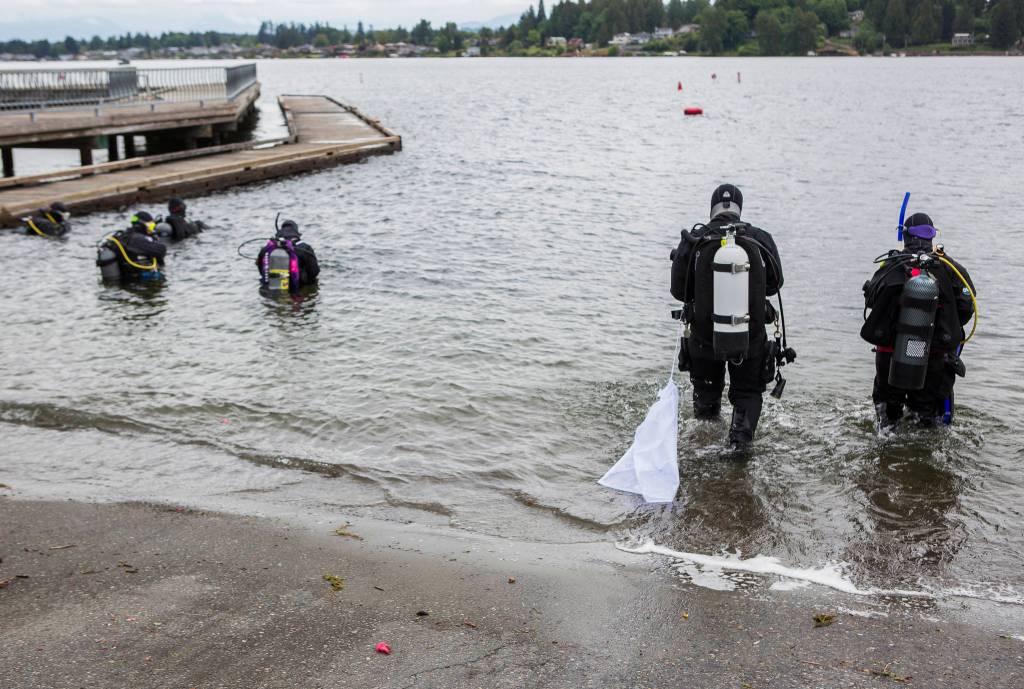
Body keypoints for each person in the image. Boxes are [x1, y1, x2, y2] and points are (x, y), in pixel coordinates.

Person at [670, 184, 784, 450]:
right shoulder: (760, 238)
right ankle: (738, 447)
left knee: (706, 405)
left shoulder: (695, 239)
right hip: (750, 337)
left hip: (703, 338)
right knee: (747, 394)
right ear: (739, 209)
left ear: (712, 209)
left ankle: (703, 446)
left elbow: (678, 291)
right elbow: (775, 284)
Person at [861, 212, 975, 430]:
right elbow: (967, 307)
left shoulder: (891, 265)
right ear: (932, 236)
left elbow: (871, 299)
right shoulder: (951, 269)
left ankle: (886, 448)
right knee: (927, 420)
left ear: (905, 236)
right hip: (935, 358)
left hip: (891, 358)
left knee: (887, 421)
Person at [97, 211, 167, 281]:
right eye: (151, 226)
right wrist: (154, 239)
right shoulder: (137, 239)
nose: (152, 229)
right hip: (136, 282)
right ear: (142, 224)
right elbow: (161, 250)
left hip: (125, 280)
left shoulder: (124, 236)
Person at [254, 220, 319, 292]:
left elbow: (261, 270)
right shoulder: (305, 248)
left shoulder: (267, 249)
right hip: (297, 289)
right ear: (296, 233)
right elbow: (314, 271)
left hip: (272, 288)